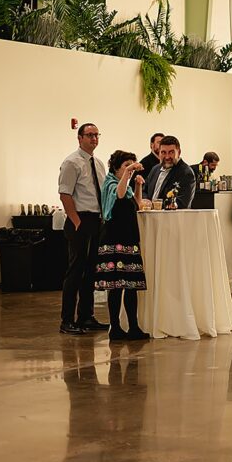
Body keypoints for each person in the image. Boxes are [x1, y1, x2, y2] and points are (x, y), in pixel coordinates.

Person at [58, 123, 108, 335]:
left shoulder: (98, 163)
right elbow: (65, 194)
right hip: (80, 220)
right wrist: (77, 221)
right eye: (89, 135)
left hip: (96, 220)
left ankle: (86, 316)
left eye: (97, 135)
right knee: (75, 271)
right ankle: (67, 320)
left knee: (91, 272)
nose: (94, 138)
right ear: (79, 138)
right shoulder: (72, 162)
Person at [95, 150, 149, 341]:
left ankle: (134, 327)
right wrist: (129, 172)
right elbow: (118, 195)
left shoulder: (126, 186)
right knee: (116, 286)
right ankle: (115, 327)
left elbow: (137, 203)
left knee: (131, 285)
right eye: (126, 166)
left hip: (129, 239)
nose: (129, 169)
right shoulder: (111, 184)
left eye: (131, 165)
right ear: (116, 167)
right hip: (114, 240)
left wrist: (137, 184)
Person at [143, 135, 195, 208]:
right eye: (163, 152)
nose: (167, 157)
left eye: (171, 152)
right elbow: (144, 190)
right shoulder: (155, 169)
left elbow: (182, 203)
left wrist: (155, 206)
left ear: (179, 152)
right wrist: (145, 201)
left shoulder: (186, 173)